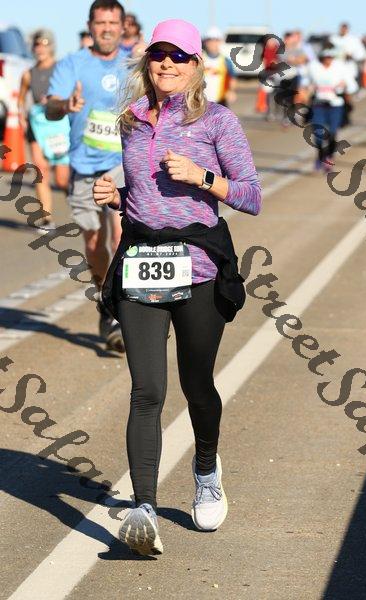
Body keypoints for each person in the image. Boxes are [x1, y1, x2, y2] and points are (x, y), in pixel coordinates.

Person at [93, 18, 261, 555]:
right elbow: (141, 195)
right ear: (147, 62)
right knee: (146, 391)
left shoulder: (218, 121)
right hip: (141, 260)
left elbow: (252, 196)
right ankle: (143, 509)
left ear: (195, 65)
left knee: (196, 384)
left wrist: (202, 177)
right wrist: (115, 196)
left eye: (178, 55)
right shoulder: (130, 120)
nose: (166, 63)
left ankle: (206, 471)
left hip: (199, 268)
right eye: (158, 54)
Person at [46, 0, 127, 353]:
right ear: (90, 26)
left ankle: (123, 309)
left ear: (122, 26)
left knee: (121, 236)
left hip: (122, 163)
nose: (106, 28)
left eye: (112, 22)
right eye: (100, 22)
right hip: (84, 165)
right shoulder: (72, 64)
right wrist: (65, 105)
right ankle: (105, 302)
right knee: (94, 244)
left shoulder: (134, 64)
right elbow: (50, 107)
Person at [18, 29, 70, 232]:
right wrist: (22, 117)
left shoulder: (61, 69)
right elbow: (21, 99)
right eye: (37, 45)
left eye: (44, 44)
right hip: (38, 125)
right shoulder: (28, 74)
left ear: (52, 47)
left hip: (59, 124)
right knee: (40, 170)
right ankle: (46, 219)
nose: (40, 49)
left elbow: (73, 91)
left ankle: (75, 200)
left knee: (62, 179)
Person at [301, 43, 358, 172]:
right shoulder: (313, 66)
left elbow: (353, 86)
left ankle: (329, 157)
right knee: (318, 135)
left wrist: (344, 85)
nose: (328, 59)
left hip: (335, 105)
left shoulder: (341, 67)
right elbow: (304, 82)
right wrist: (307, 88)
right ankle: (320, 156)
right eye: (325, 56)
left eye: (330, 56)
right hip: (318, 105)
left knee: (332, 133)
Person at [202, 27, 237, 106]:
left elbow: (232, 78)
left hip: (220, 102)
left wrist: (231, 91)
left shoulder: (226, 61)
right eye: (210, 40)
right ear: (205, 42)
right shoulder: (200, 59)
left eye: (216, 40)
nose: (213, 43)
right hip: (202, 102)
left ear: (220, 42)